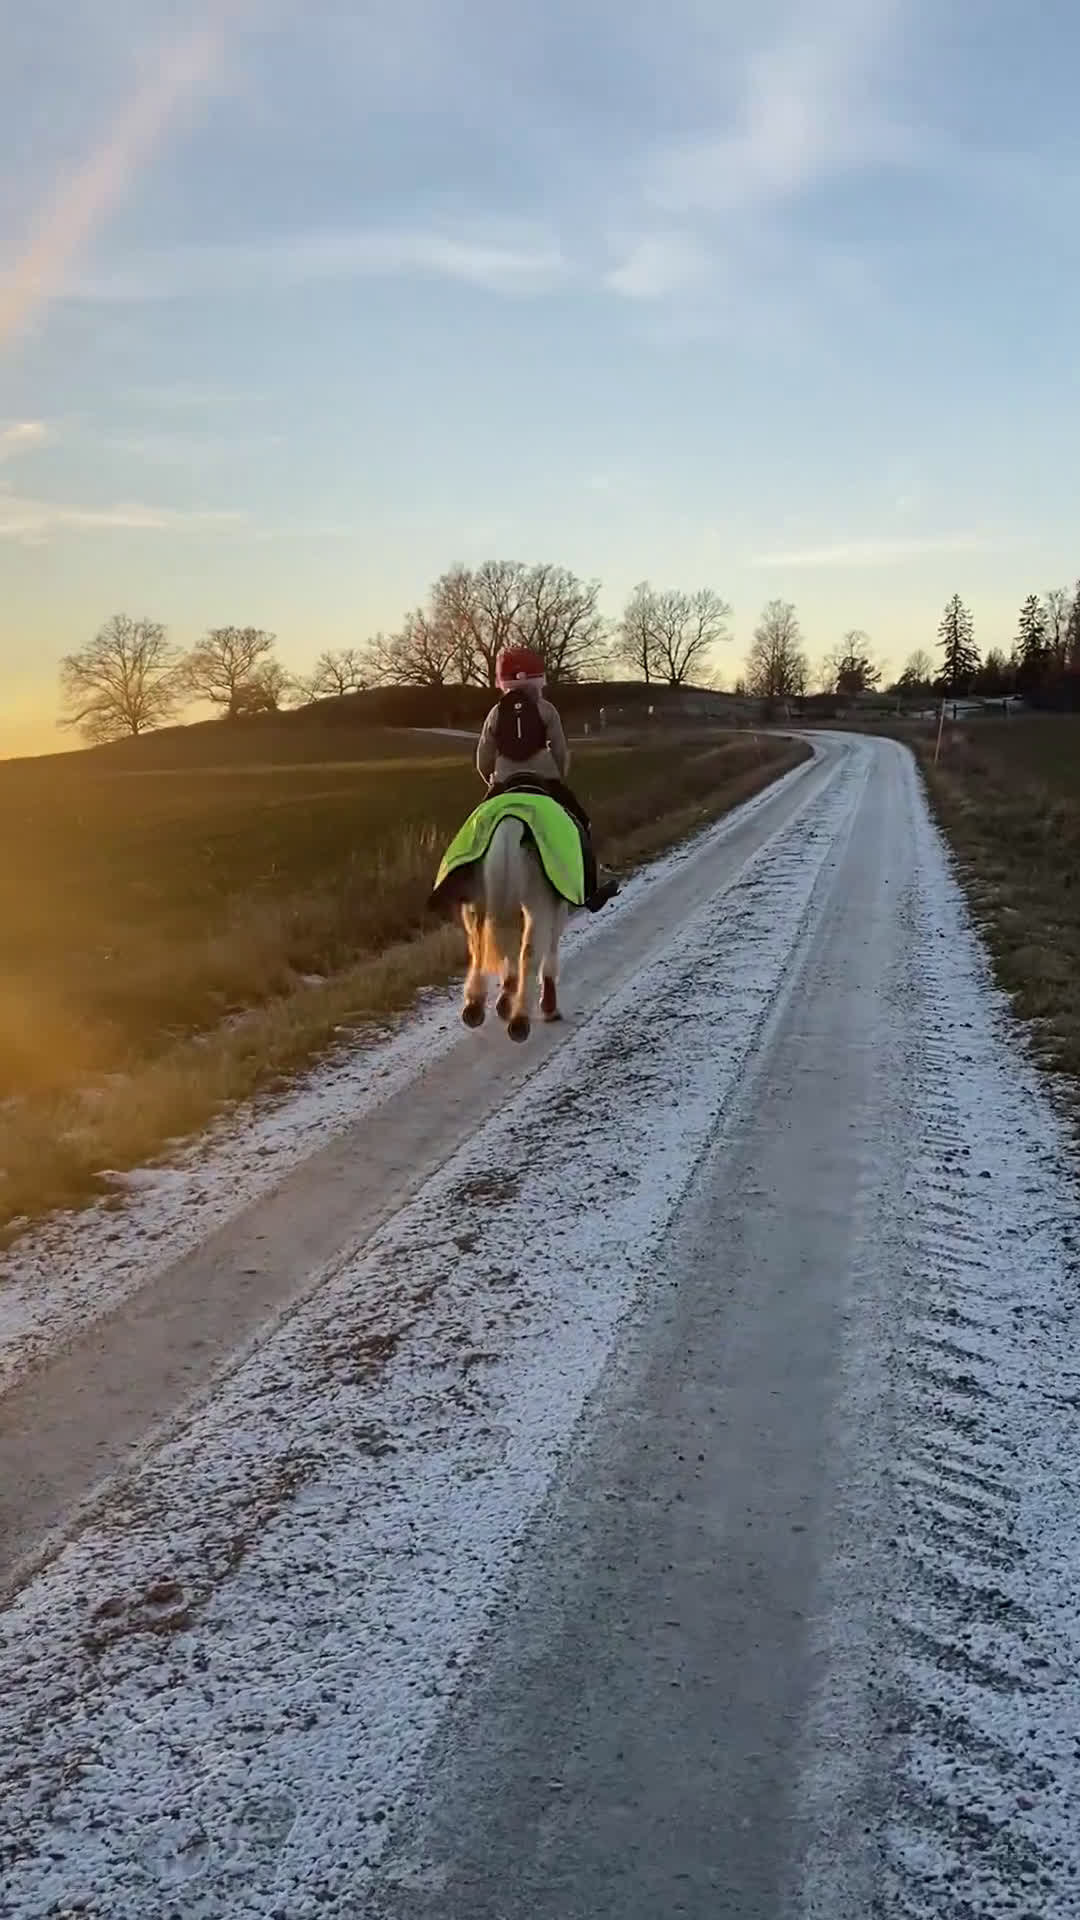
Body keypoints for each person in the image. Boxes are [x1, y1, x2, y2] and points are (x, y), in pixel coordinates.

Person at [476, 645, 620, 911]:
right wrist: (557, 778)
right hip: (545, 778)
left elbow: (483, 756)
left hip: (505, 781)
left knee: (476, 831)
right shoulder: (546, 709)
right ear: (538, 679)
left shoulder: (495, 712)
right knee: (582, 825)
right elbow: (560, 750)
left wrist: (492, 782)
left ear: (501, 681)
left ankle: (468, 895)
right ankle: (590, 892)